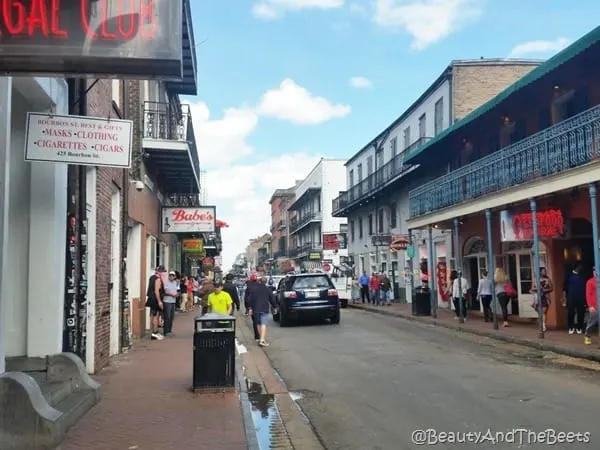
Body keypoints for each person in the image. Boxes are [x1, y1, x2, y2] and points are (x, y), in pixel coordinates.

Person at [248, 276, 278, 347]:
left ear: (259, 281)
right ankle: (262, 340)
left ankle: (261, 338)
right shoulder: (267, 289)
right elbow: (272, 299)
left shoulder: (254, 289)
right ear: (266, 282)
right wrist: (275, 307)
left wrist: (250, 308)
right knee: (263, 324)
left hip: (256, 308)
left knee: (258, 324)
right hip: (264, 308)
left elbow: (250, 299)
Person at [563, 263, 586, 334]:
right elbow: (564, 288)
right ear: (577, 267)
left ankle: (579, 328)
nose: (581, 268)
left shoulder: (583, 276)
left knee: (581, 312)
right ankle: (571, 327)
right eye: (580, 267)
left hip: (581, 297)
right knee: (571, 312)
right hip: (571, 296)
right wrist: (564, 298)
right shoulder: (569, 275)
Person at [146, 265, 166, 340]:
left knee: (154, 315)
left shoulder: (152, 278)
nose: (164, 274)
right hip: (155, 299)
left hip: (151, 298)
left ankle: (155, 332)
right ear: (159, 272)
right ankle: (154, 332)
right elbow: (157, 291)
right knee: (155, 316)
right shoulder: (157, 279)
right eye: (163, 272)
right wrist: (159, 301)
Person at [531, 267, 553, 332]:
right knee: (539, 312)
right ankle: (541, 324)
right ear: (540, 272)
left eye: (545, 271)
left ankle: (543, 326)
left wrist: (545, 290)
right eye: (543, 271)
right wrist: (537, 289)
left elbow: (552, 288)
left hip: (545, 297)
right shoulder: (535, 279)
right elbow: (532, 288)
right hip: (538, 297)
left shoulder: (548, 279)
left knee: (544, 312)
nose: (544, 272)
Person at [162, 271, 179, 337]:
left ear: (174, 276)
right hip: (167, 301)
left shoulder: (175, 283)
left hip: (173, 301)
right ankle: (166, 331)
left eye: (173, 275)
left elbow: (176, 291)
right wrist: (172, 294)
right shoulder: (166, 282)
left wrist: (177, 294)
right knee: (167, 316)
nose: (171, 277)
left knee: (172, 317)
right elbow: (165, 291)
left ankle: (169, 330)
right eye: (170, 275)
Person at [245, 273, 261, 340]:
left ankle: (257, 336)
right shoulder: (260, 286)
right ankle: (261, 335)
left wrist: (248, 308)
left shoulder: (248, 288)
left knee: (255, 321)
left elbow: (246, 299)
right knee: (261, 321)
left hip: (253, 306)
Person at [584, 267, 598, 345]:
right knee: (592, 322)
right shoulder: (590, 282)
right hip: (594, 305)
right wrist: (590, 306)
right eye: (594, 271)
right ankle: (587, 335)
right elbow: (588, 294)